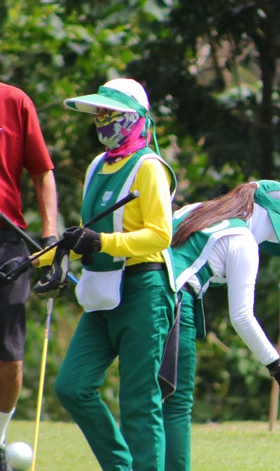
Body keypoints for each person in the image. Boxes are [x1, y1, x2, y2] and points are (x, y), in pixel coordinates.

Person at [46, 78, 177, 471]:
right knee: (72, 386)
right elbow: (86, 237)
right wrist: (39, 260)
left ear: (134, 117)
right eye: (99, 112)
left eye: (110, 112)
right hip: (103, 290)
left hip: (144, 290)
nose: (101, 119)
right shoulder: (96, 166)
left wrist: (102, 242)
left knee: (138, 402)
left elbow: (160, 235)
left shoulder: (148, 167)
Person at [161, 179, 280, 470]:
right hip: (176, 302)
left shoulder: (197, 210)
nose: (267, 238)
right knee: (176, 404)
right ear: (265, 214)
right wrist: (278, 366)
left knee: (146, 396)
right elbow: (241, 316)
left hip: (140, 291)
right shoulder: (242, 239)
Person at [0, 82, 58, 471]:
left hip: (7, 242)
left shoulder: (14, 101)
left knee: (10, 359)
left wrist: (50, 238)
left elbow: (42, 172)